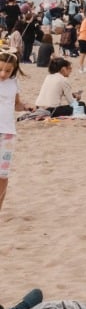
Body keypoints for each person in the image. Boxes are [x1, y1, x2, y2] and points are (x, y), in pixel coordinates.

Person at [0, 48, 32, 214]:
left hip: (7, 133)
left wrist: (26, 106)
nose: (3, 74)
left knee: (3, 175)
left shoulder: (13, 83)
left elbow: (16, 104)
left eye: (8, 70)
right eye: (0, 69)